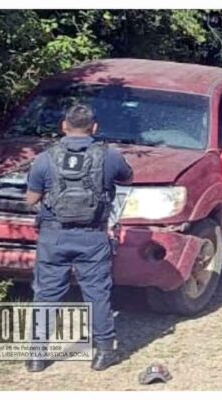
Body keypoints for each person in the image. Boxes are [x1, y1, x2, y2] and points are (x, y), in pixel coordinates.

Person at [25, 104, 133, 372]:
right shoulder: (110, 156)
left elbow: (31, 200)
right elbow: (128, 179)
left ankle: (37, 356)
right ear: (94, 128)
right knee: (97, 293)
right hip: (93, 237)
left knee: (47, 294)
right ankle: (104, 352)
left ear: (63, 125)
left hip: (54, 236)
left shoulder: (44, 158)